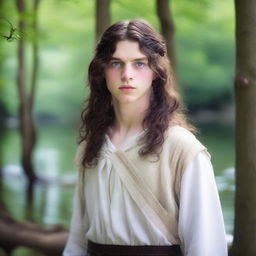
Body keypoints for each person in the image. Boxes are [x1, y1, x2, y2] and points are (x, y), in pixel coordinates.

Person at [63, 19, 227, 256]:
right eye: (115, 63)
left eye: (139, 64)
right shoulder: (91, 146)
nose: (126, 74)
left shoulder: (181, 147)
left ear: (155, 72)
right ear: (102, 71)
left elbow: (206, 247)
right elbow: (77, 241)